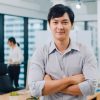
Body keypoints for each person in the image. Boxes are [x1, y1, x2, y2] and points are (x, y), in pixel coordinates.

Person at [28, 4, 98, 100]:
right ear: (49, 24)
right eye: (55, 22)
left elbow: (91, 87)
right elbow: (34, 89)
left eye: (65, 22)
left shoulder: (85, 51)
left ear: (72, 25)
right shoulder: (40, 52)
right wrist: (70, 80)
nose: (60, 27)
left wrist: (51, 84)